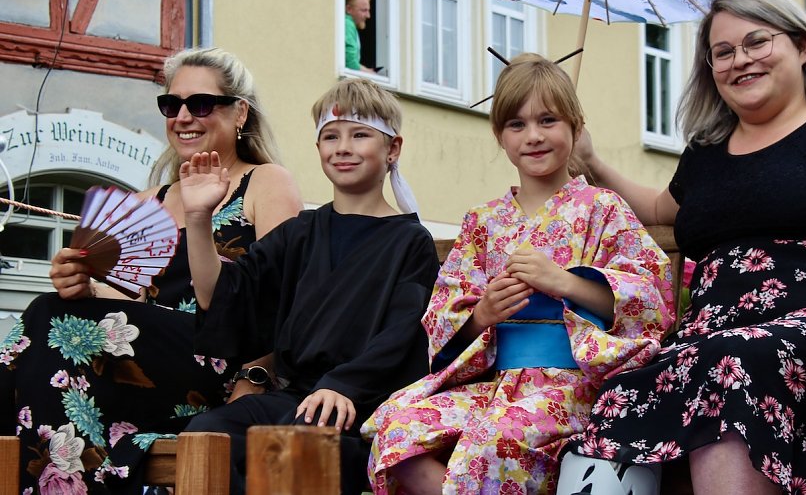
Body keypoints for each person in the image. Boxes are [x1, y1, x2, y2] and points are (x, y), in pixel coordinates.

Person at [559, 0, 806, 495]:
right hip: (706, 338)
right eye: (723, 52)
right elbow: (659, 209)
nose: (740, 60)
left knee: (728, 365)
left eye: (757, 42)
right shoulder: (706, 153)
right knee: (618, 394)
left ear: (801, 47)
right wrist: (590, 161)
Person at [361, 53, 675, 494]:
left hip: (572, 386)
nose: (533, 136)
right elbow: (442, 316)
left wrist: (566, 283)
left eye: (548, 120)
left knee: (492, 442)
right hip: (494, 383)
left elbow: (652, 302)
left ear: (575, 127)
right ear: (500, 136)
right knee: (397, 434)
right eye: (516, 124)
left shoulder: (603, 209)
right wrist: (482, 314)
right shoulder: (482, 221)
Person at [0, 46, 303, 494]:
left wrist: (254, 378)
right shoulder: (149, 202)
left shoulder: (265, 181)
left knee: (45, 321)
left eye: (200, 104)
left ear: (240, 112)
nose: (183, 116)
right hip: (146, 365)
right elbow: (128, 305)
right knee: (47, 317)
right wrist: (82, 286)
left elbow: (287, 300)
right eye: (171, 104)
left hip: (221, 361)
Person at [180, 77, 439, 494]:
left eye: (360, 135)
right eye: (330, 136)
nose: (343, 147)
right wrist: (198, 219)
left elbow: (404, 333)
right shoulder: (301, 233)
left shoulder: (410, 242)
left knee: (294, 443)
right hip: (295, 397)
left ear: (392, 149)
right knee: (206, 433)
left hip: (362, 407)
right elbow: (225, 295)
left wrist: (344, 385)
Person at [346, 0, 375, 73]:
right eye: (364, 10)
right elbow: (350, 63)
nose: (368, 16)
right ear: (348, 9)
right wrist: (371, 73)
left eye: (368, 10)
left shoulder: (349, 24)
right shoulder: (347, 24)